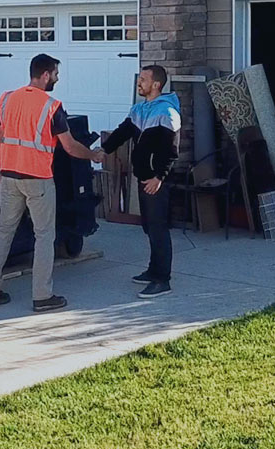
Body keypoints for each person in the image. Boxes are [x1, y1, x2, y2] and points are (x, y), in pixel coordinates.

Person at [0, 53, 105, 313]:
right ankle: (42, 296)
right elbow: (70, 147)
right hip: (37, 179)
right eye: (56, 74)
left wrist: (3, 168)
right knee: (45, 236)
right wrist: (93, 154)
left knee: (4, 229)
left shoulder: (6, 100)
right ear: (46, 74)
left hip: (8, 176)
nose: (57, 79)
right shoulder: (52, 106)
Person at [96, 65, 181, 299]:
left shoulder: (167, 113)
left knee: (158, 229)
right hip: (144, 178)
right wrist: (104, 149)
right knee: (149, 228)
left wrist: (159, 177)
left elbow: (171, 151)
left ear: (156, 84)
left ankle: (162, 280)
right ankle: (153, 270)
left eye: (143, 79)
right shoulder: (140, 110)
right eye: (140, 79)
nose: (139, 83)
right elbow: (124, 132)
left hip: (156, 181)